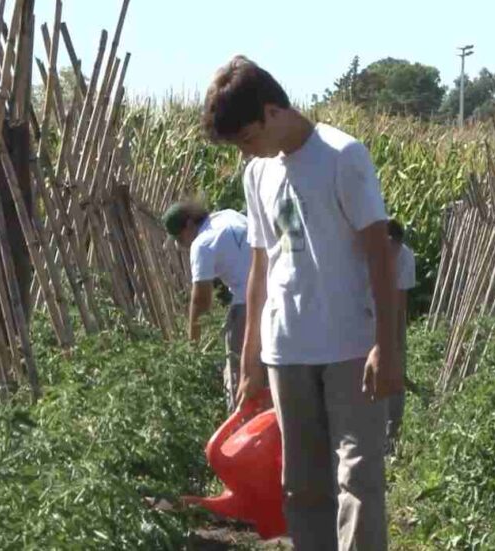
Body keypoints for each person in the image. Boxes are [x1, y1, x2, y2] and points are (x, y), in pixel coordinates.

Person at [203, 55, 402, 550]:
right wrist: (250, 357)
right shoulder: (257, 173)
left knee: (358, 478)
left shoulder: (342, 155)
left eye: (247, 138)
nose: (246, 151)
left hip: (350, 345)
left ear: (273, 111)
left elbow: (379, 255)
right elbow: (261, 265)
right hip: (287, 350)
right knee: (302, 485)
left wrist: (386, 343)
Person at [163, 201, 259, 412]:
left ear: (189, 225)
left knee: (237, 374)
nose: (180, 244)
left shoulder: (202, 244)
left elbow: (201, 301)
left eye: (179, 238)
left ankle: (242, 421)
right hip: (274, 295)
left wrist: (193, 346)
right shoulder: (229, 215)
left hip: (247, 303)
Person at [385, 218, 416, 454]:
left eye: (396, 249)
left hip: (390, 312)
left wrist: (395, 340)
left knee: (396, 371)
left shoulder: (405, 257)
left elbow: (400, 302)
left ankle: (392, 435)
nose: (393, 254)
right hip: (361, 315)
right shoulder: (362, 251)